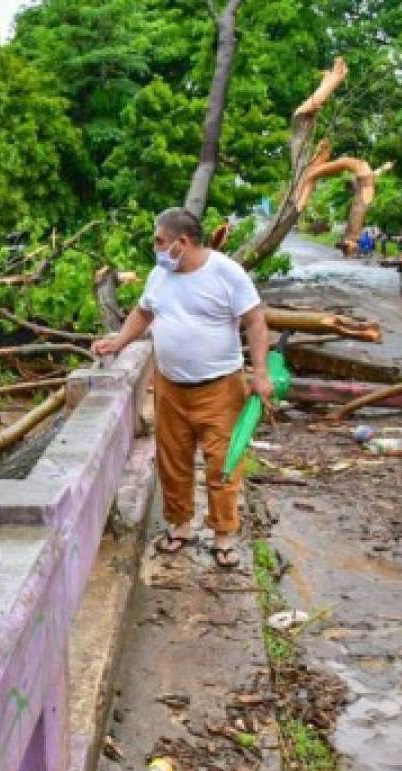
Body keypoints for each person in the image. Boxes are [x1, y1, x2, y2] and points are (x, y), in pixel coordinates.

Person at [94, 208, 272, 568]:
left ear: (183, 242)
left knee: (223, 464)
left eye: (160, 241)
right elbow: (143, 314)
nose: (156, 249)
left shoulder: (226, 273)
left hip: (220, 387)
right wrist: (119, 342)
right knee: (173, 460)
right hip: (171, 386)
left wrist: (261, 373)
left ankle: (223, 536)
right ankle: (180, 527)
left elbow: (255, 321)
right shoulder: (161, 275)